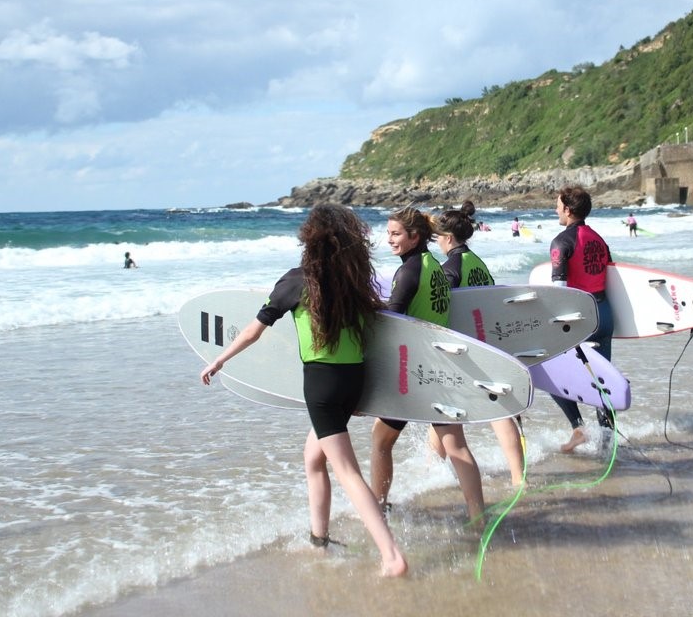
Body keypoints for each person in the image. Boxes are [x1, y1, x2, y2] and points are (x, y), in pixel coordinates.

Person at [199, 205, 407, 577]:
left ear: (309, 240)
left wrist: (219, 360)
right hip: (353, 379)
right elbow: (379, 330)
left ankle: (391, 555)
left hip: (323, 385)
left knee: (346, 471)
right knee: (313, 457)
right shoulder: (353, 282)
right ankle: (319, 540)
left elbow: (252, 331)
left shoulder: (297, 281)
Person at [370, 206, 485, 523]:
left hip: (414, 371)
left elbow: (393, 323)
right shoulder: (433, 265)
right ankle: (478, 515)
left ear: (414, 236)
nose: (389, 240)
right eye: (389, 233)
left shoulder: (407, 271)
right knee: (456, 446)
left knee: (381, 440)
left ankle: (378, 508)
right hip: (441, 366)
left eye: (395, 234)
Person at [434, 203, 526, 487]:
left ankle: (436, 472)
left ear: (448, 238)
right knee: (492, 412)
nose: (436, 240)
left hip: (461, 350)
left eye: (438, 235)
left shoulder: (450, 267)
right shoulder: (478, 263)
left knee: (442, 410)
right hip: (487, 342)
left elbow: (440, 307)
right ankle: (517, 477)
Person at [546, 185, 615, 453]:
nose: (556, 210)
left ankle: (578, 428)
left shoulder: (562, 242)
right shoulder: (599, 239)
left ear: (568, 209)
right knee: (602, 381)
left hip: (580, 319)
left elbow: (560, 292)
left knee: (549, 373)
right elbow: (613, 278)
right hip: (605, 315)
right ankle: (607, 446)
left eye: (558, 205)